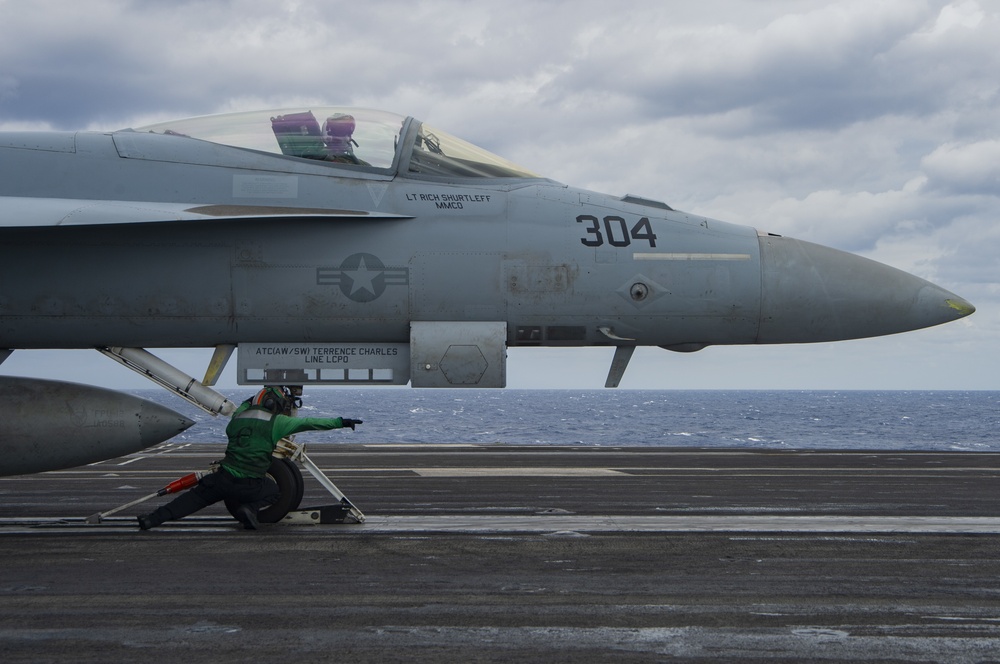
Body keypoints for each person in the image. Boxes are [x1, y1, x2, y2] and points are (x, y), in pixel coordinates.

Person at [137, 386, 362, 530]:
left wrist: (256, 397)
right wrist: (342, 422)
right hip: (251, 484)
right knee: (275, 492)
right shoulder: (278, 423)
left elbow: (245, 405)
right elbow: (311, 423)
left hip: (222, 480)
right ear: (275, 405)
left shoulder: (237, 418)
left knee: (188, 502)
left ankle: (152, 520)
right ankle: (250, 509)